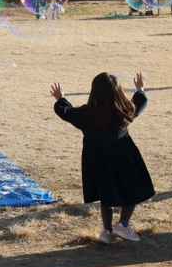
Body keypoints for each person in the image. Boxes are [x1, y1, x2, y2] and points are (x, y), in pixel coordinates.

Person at [51, 72, 153, 244]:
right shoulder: (124, 109)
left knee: (106, 192)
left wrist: (60, 98)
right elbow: (140, 103)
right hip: (123, 156)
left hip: (97, 159)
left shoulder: (86, 113)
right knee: (132, 189)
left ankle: (106, 231)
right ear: (118, 92)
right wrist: (140, 89)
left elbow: (66, 112)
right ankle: (122, 225)